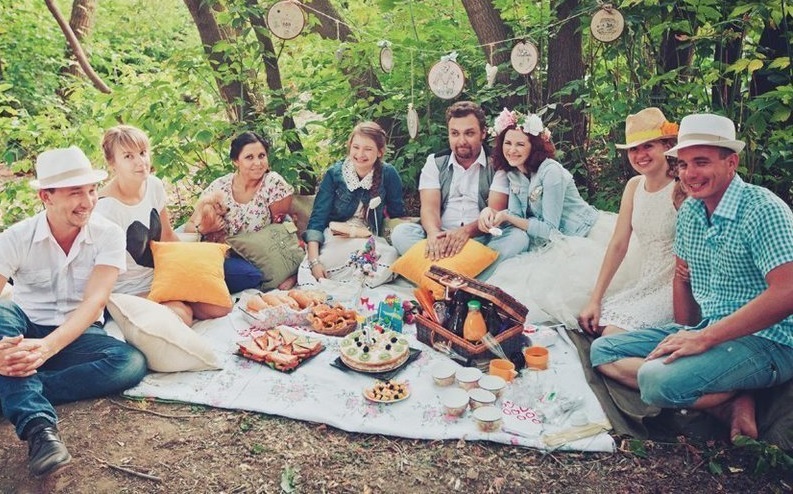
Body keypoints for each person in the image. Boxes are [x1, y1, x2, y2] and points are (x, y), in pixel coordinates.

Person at [590, 113, 793, 442]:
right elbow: (683, 291)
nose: (690, 174)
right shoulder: (691, 213)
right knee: (603, 350)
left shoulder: (763, 209)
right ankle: (727, 401)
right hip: (709, 327)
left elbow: (788, 291)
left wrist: (704, 339)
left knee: (656, 380)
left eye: (701, 162)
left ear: (731, 162)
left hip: (768, 340)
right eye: (683, 165)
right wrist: (686, 331)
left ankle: (731, 393)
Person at [0, 146, 147, 476]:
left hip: (78, 333)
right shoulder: (15, 238)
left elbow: (94, 303)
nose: (88, 201)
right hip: (23, 327)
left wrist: (46, 348)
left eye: (92, 190)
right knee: (3, 311)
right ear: (46, 197)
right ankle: (39, 428)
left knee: (129, 363)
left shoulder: (108, 234)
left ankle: (14, 389)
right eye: (75, 192)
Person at [483, 108, 636, 326]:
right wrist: (504, 217)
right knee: (512, 284)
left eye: (520, 144)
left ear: (533, 146)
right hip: (548, 241)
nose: (512, 150)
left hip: (580, 234)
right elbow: (517, 216)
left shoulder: (550, 171)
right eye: (508, 143)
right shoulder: (514, 173)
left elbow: (550, 229)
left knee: (557, 293)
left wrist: (507, 216)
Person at [95, 125, 232, 325]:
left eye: (143, 153)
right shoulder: (105, 209)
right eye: (128, 156)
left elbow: (167, 236)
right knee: (181, 315)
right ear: (112, 163)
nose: (140, 162)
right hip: (129, 289)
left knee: (221, 306)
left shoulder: (154, 185)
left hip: (162, 273)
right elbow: (101, 269)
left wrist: (191, 271)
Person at [390, 101, 528, 280]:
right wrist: (434, 235)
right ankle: (464, 279)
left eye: (469, 133)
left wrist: (465, 232)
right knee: (401, 233)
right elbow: (429, 208)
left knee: (518, 238)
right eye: (455, 133)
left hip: (481, 240)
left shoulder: (497, 164)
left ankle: (440, 278)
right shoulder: (435, 162)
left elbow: (494, 213)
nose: (461, 141)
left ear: (483, 133)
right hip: (441, 236)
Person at [578, 108, 684, 336]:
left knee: (611, 334)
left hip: (675, 287)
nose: (640, 154)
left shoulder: (682, 187)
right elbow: (618, 244)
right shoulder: (634, 186)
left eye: (648, 146)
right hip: (645, 281)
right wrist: (596, 299)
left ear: (666, 146)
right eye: (634, 149)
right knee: (591, 322)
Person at [297, 121, 406, 288]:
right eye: (356, 147)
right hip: (336, 236)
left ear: (380, 152)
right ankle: (347, 284)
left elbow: (397, 213)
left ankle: (356, 286)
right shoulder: (334, 174)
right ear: (349, 147)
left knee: (390, 255)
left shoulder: (388, 174)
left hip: (367, 237)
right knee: (322, 264)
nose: (360, 154)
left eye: (368, 149)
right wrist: (314, 261)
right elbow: (317, 220)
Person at [184, 131, 295, 293]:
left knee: (249, 275)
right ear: (236, 161)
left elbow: (281, 230)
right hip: (218, 251)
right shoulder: (220, 186)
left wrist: (290, 273)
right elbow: (189, 226)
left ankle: (202, 281)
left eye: (262, 156)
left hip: (255, 256)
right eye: (249, 157)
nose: (258, 163)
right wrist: (204, 229)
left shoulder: (273, 184)